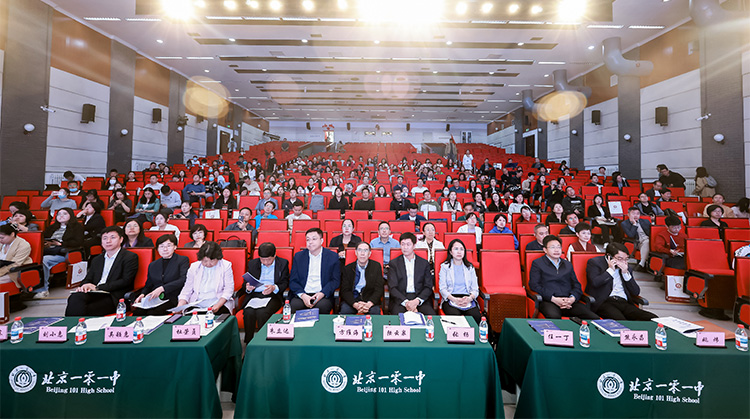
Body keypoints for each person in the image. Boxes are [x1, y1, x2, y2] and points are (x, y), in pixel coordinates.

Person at [65, 226, 139, 316]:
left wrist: (98, 288)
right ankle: (72, 324)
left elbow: (126, 281)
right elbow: (88, 278)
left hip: (113, 296)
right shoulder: (97, 259)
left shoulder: (129, 257)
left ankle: (75, 324)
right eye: (105, 238)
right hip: (95, 293)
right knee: (75, 297)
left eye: (112, 237)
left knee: (86, 309)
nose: (108, 241)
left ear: (121, 239)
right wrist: (84, 286)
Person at [528, 235, 598, 319]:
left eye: (559, 247)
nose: (556, 250)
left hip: (568, 302)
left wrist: (572, 298)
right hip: (549, 301)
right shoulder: (538, 263)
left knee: (593, 318)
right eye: (552, 247)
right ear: (545, 250)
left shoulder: (568, 264)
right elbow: (534, 285)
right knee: (554, 317)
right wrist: (553, 299)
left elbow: (576, 285)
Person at [586, 242, 657, 320]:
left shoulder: (627, 268)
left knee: (653, 318)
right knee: (621, 320)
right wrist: (610, 270)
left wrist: (625, 274)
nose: (623, 262)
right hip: (604, 302)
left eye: (626, 259)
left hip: (624, 302)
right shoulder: (595, 263)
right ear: (609, 256)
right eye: (620, 259)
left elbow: (635, 292)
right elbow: (595, 283)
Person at [240, 242, 290, 342]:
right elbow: (245, 282)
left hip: (273, 295)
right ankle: (249, 342)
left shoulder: (283, 263)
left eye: (268, 259)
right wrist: (248, 288)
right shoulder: (253, 264)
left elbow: (285, 282)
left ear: (274, 256)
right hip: (255, 295)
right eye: (263, 260)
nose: (266, 262)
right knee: (248, 312)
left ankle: (262, 341)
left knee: (262, 312)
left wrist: (274, 288)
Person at [132, 234, 190, 316]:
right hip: (154, 299)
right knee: (138, 313)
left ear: (175, 247)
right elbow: (149, 284)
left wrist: (163, 288)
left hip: (172, 297)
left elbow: (183, 280)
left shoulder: (182, 260)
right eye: (161, 246)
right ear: (157, 249)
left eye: (168, 246)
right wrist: (143, 294)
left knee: (154, 313)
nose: (165, 249)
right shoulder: (153, 265)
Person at [289, 228, 340, 314]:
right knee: (294, 306)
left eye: (314, 239)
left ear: (321, 241)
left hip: (322, 295)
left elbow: (335, 280)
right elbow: (293, 281)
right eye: (308, 240)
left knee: (322, 307)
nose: (310, 242)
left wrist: (322, 293)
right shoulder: (299, 257)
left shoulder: (332, 256)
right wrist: (303, 295)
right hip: (303, 294)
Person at [36, 208, 84, 298]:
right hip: (48, 250)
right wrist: (46, 244)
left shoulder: (77, 227)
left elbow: (78, 242)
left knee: (44, 260)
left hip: (63, 253)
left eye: (65, 214)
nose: (61, 216)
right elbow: (43, 238)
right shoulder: (52, 227)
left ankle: (43, 290)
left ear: (71, 215)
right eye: (59, 214)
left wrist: (61, 244)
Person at [177, 242, 235, 314]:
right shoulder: (194, 267)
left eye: (212, 260)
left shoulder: (226, 266)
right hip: (197, 303)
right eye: (205, 261)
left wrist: (218, 305)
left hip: (218, 302)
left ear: (218, 258)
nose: (208, 264)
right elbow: (187, 289)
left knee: (219, 316)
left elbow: (229, 289)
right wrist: (180, 305)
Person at [387, 232, 436, 315]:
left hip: (420, 298)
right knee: (398, 318)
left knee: (430, 316)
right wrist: (407, 303)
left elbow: (428, 286)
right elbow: (392, 287)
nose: (405, 247)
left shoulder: (424, 263)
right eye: (403, 244)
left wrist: (416, 301)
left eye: (408, 244)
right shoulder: (394, 263)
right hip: (400, 299)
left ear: (414, 246)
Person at [439, 239, 481, 323]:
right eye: (456, 249)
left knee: (475, 316)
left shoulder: (470, 267)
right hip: (451, 297)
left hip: (467, 298)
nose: (459, 252)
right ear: (450, 252)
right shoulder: (445, 267)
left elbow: (475, 289)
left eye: (462, 249)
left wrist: (469, 298)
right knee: (454, 316)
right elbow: (442, 289)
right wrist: (454, 299)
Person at [340, 242, 384, 315]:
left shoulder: (376, 266)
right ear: (356, 253)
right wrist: (355, 304)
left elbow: (379, 289)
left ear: (369, 253)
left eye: (365, 250)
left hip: (369, 300)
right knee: (345, 311)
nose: (362, 253)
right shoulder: (347, 268)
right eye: (360, 250)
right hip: (353, 300)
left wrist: (369, 304)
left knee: (375, 312)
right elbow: (345, 290)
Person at [0, 223, 33, 290]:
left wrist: (0, 272)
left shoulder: (23, 245)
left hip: (13, 272)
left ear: (12, 234)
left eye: (2, 238)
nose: (0, 240)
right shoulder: (1, 243)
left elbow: (16, 264)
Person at [622, 207, 651, 271]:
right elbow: (631, 235)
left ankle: (642, 263)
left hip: (647, 240)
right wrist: (634, 224)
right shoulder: (624, 223)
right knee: (647, 242)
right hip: (637, 242)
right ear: (628, 214)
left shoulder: (646, 221)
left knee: (647, 241)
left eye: (638, 214)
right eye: (633, 213)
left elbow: (651, 233)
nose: (636, 215)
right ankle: (642, 263)